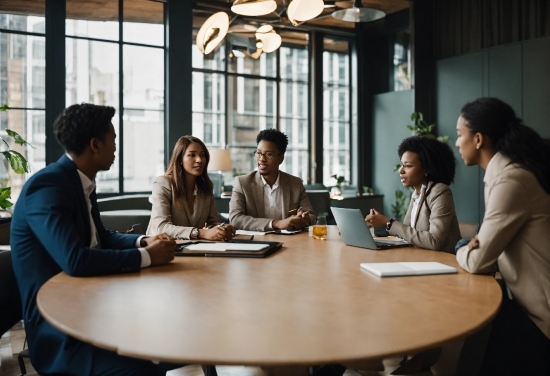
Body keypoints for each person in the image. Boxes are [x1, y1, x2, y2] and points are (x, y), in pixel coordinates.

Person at [10, 103, 179, 376]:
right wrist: (147, 257)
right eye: (113, 139)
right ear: (95, 145)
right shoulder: (47, 186)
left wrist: (144, 242)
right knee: (145, 368)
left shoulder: (81, 182)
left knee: (170, 336)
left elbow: (102, 237)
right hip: (62, 332)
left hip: (94, 308)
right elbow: (75, 259)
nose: (116, 148)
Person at [455, 97, 550, 375]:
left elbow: (478, 260)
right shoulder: (507, 174)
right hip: (528, 306)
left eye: (460, 135)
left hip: (540, 317)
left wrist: (462, 247)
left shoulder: (512, 180)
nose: (457, 143)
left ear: (479, 139)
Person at [365, 135, 461, 254]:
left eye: (408, 166)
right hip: (421, 259)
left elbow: (434, 241)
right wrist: (372, 226)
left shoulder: (440, 191)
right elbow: (407, 233)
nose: (401, 170)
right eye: (402, 165)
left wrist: (388, 222)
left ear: (426, 169)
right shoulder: (418, 192)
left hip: (443, 263)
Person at [147, 135, 235, 241]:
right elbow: (161, 227)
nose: (199, 160)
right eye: (192, 155)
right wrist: (200, 233)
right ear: (180, 159)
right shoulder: (163, 184)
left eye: (202, 155)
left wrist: (221, 229)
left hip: (192, 248)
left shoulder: (206, 186)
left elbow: (213, 221)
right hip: (161, 248)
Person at [229, 129, 316, 231]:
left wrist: (304, 219)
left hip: (290, 241)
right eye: (259, 153)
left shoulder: (295, 184)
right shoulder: (243, 183)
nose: (262, 159)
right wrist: (277, 224)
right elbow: (235, 219)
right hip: (256, 242)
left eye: (269, 154)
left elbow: (312, 216)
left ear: (281, 158)